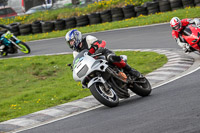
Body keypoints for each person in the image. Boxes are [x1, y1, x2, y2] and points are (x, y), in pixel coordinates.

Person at [65, 29, 142, 79]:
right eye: (70, 43)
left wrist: (98, 48)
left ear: (76, 37)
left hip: (102, 54)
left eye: (72, 41)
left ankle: (131, 71)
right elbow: (79, 62)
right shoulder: (75, 52)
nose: (71, 44)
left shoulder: (88, 39)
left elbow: (101, 42)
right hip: (92, 64)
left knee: (111, 58)